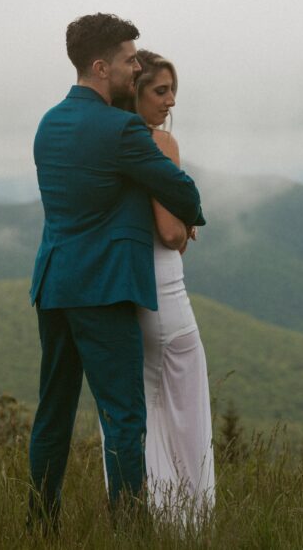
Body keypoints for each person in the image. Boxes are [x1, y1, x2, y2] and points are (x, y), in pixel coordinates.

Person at [27, 14, 205, 532]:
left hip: (54, 283)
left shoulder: (48, 123)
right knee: (124, 417)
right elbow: (184, 198)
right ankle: (130, 533)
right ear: (101, 67)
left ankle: (41, 526)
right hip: (104, 290)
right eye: (129, 60)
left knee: (52, 414)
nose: (135, 67)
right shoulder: (124, 130)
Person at [106, 50, 215, 525]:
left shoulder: (105, 142)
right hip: (168, 298)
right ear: (136, 90)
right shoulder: (160, 144)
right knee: (187, 416)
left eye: (173, 92)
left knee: (141, 412)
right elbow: (171, 235)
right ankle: (188, 520)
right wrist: (190, 221)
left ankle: (143, 513)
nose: (170, 102)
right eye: (160, 90)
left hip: (124, 294)